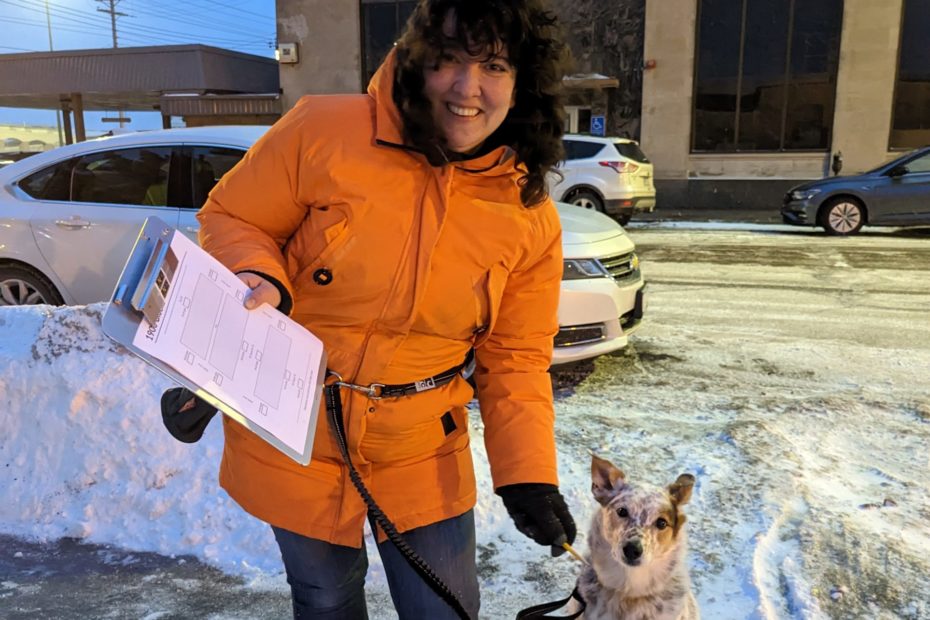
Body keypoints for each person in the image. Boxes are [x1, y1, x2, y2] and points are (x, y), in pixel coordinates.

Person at [193, 1, 576, 617]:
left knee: (445, 608)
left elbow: (516, 358)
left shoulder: (528, 215)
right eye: (449, 59)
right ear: (419, 61)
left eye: (495, 66)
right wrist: (254, 271)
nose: (466, 87)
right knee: (324, 599)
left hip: (424, 449)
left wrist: (526, 471)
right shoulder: (324, 131)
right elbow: (232, 215)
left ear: (522, 84)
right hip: (299, 431)